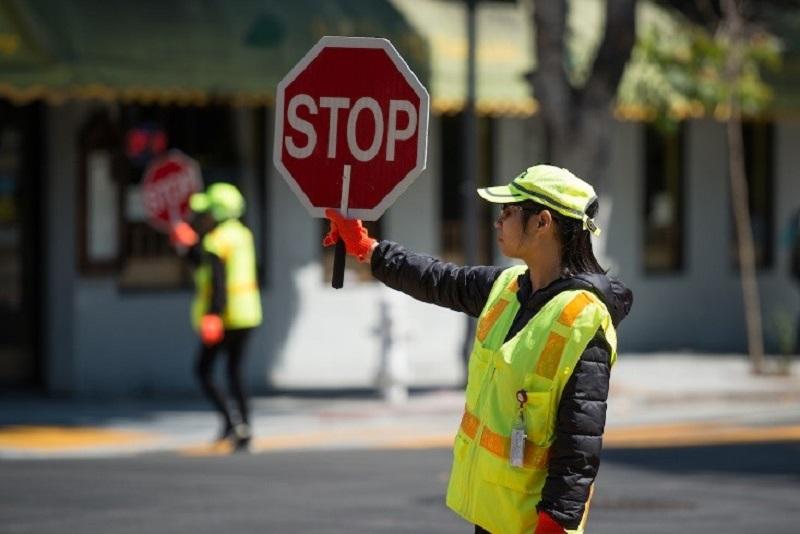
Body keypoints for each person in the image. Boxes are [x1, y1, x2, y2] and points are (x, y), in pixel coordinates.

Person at [323, 165, 632, 534]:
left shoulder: (583, 319)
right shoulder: (509, 287)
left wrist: (554, 524)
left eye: (508, 211)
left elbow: (579, 443)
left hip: (534, 524)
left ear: (542, 222)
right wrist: (368, 249)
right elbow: (438, 279)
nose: (498, 221)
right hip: (492, 514)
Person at [170, 183, 263, 451]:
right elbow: (207, 268)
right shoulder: (243, 235)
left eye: (207, 212)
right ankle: (243, 427)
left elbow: (217, 281)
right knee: (235, 372)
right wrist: (189, 247)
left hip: (224, 316)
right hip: (247, 314)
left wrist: (213, 315)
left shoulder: (216, 240)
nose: (203, 217)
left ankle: (230, 422)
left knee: (203, 370)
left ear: (218, 212)